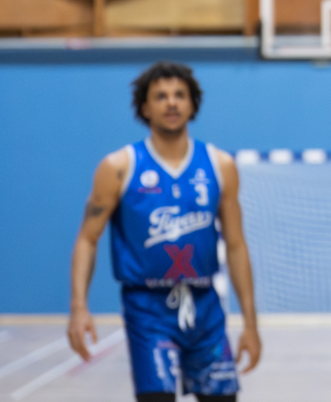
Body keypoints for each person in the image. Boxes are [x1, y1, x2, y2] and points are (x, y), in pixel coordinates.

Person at [68, 61, 261, 401]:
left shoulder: (219, 165)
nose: (171, 103)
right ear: (144, 107)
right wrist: (79, 307)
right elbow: (87, 238)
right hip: (148, 308)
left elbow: (235, 245)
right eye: (160, 96)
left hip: (204, 305)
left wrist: (250, 322)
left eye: (179, 95)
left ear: (192, 104)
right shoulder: (118, 167)